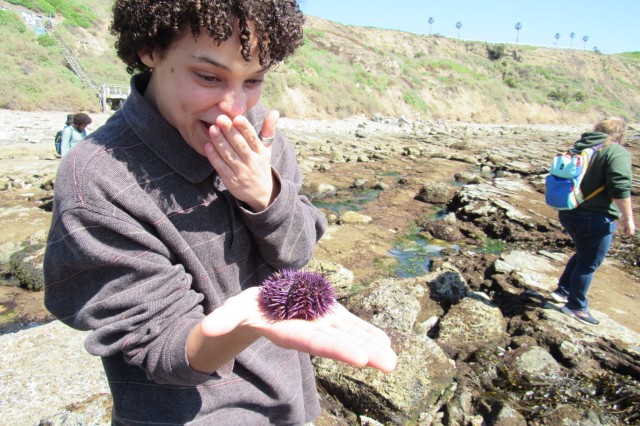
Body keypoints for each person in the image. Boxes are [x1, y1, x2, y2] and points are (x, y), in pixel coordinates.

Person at [43, 1, 396, 424]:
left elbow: (296, 254)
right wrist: (240, 326)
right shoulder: (96, 179)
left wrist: (265, 197)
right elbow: (160, 350)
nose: (234, 108)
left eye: (254, 80)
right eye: (209, 77)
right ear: (150, 50)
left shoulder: (260, 133)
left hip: (290, 398)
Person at [551, 117, 636, 325]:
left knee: (583, 253)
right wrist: (628, 218)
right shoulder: (616, 152)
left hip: (569, 211)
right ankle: (576, 306)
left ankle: (563, 290)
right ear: (620, 134)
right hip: (595, 217)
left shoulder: (579, 147)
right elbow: (620, 187)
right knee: (589, 262)